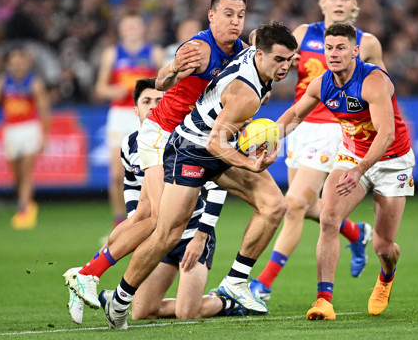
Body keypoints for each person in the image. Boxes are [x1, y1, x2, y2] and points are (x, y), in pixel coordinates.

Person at [98, 21, 297, 330]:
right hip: (190, 148)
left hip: (218, 144)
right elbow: (214, 143)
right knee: (168, 233)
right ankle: (120, 299)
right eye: (278, 60)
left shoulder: (259, 49)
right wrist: (250, 164)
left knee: (274, 205)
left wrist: (272, 31)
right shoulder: (246, 94)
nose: (285, 67)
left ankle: (235, 281)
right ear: (259, 55)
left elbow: (259, 34)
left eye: (289, 60)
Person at [64, 0, 247, 315]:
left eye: (241, 15)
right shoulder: (199, 47)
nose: (235, 21)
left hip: (183, 139)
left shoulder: (242, 52)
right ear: (211, 16)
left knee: (148, 217)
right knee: (159, 221)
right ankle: (90, 276)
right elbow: (162, 81)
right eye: (228, 14)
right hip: (162, 134)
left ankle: (88, 275)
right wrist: (174, 69)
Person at [65, 78, 241, 324]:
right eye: (146, 101)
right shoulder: (131, 145)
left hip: (191, 233)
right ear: (135, 109)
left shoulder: (185, 138)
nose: (153, 106)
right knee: (141, 311)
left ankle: (227, 300)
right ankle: (87, 273)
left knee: (186, 312)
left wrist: (202, 236)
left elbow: (215, 187)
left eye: (159, 100)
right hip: (162, 238)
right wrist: (136, 232)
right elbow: (133, 193)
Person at [250, 0, 381, 301]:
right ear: (322, 1)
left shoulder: (366, 44)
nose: (339, 3)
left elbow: (382, 88)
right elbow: (279, 69)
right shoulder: (304, 34)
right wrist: (262, 87)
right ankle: (356, 232)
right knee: (306, 204)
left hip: (336, 129)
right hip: (300, 126)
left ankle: (261, 284)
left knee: (293, 204)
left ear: (355, 6)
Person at [276, 23, 414, 320]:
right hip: (352, 156)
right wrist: (270, 140)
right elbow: (295, 114)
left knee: (383, 245)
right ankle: (324, 300)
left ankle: (386, 276)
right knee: (328, 218)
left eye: (341, 48)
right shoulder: (322, 83)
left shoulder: (373, 81)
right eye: (329, 48)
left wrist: (362, 168)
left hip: (392, 161)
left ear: (354, 51)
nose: (334, 54)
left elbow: (387, 134)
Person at [0, 47, 51, 230]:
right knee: (17, 174)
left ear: (26, 63)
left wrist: (45, 134)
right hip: (11, 131)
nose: (17, 65)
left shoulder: (34, 83)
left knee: (27, 170)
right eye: (13, 62)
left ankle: (23, 209)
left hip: (29, 128)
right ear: (8, 64)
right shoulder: (3, 83)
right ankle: (27, 203)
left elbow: (44, 110)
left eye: (20, 62)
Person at [95, 11, 164, 227]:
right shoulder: (112, 54)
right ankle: (119, 219)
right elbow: (100, 88)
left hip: (148, 115)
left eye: (136, 25)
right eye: (128, 26)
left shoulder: (155, 53)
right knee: (117, 174)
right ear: (121, 30)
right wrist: (113, 90)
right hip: (120, 115)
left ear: (142, 29)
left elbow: (166, 84)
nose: (133, 30)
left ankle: (151, 215)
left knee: (150, 168)